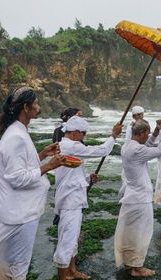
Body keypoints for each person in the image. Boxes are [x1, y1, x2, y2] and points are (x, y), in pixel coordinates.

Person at [0, 87, 66, 280]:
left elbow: (19, 166)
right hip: (19, 214)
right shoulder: (16, 137)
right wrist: (48, 166)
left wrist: (42, 154)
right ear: (26, 108)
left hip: (16, 211)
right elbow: (17, 178)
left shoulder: (16, 132)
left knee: (10, 265)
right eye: (35, 103)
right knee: (18, 266)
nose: (39, 106)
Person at [53, 115, 122, 280]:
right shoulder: (70, 146)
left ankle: (72, 270)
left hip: (73, 197)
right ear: (75, 132)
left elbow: (71, 173)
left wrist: (88, 178)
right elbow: (101, 151)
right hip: (69, 200)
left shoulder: (67, 146)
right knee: (67, 239)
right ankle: (63, 276)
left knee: (73, 237)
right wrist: (113, 135)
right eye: (83, 134)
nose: (84, 137)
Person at [114, 119, 161, 278]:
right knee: (142, 233)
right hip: (141, 199)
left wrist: (156, 133)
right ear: (142, 133)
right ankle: (137, 268)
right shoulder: (137, 151)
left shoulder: (127, 147)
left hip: (132, 196)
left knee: (132, 232)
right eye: (148, 133)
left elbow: (146, 147)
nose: (149, 135)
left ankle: (131, 265)